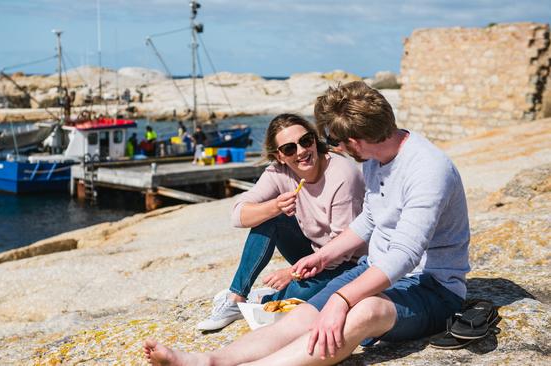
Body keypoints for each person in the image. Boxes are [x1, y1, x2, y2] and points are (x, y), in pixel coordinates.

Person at [144, 81, 471, 365]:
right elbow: (370, 220)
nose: (332, 148)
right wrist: (322, 257)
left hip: (433, 289)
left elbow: (405, 256)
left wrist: (343, 300)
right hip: (376, 267)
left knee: (363, 312)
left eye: (333, 141)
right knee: (302, 317)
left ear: (354, 141)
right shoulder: (376, 158)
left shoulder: (427, 170)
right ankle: (209, 361)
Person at [196, 113, 365, 331]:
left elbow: (342, 249)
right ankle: (236, 298)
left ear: (314, 139)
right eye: (289, 149)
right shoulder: (279, 171)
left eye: (305, 141)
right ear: (279, 156)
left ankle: (263, 301)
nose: (302, 151)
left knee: (299, 296)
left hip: (349, 262)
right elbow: (237, 215)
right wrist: (274, 206)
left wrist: (293, 274)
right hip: (314, 256)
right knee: (269, 219)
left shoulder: (342, 175)